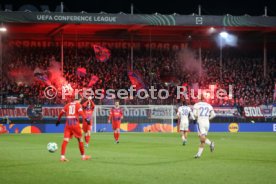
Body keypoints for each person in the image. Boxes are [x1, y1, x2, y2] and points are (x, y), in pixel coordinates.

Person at [56, 96, 91, 162]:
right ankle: (83, 156)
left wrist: (58, 120)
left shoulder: (67, 104)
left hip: (68, 124)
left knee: (65, 140)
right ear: (79, 99)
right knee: (80, 139)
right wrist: (86, 119)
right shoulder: (78, 105)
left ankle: (62, 157)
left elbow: (61, 113)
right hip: (75, 124)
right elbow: (81, 113)